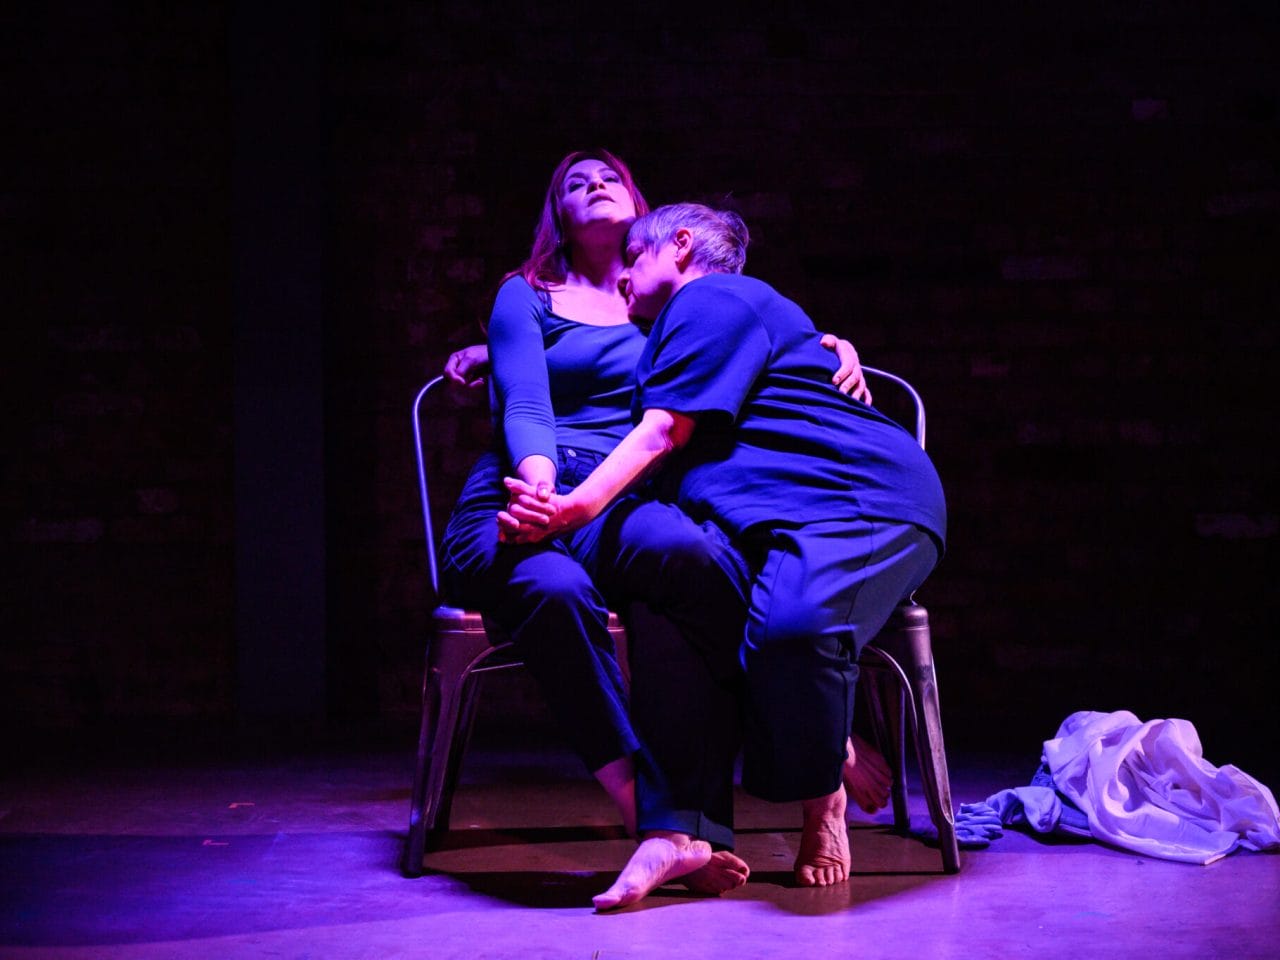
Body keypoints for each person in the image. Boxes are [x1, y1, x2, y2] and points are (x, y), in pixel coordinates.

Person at [438, 153, 872, 896]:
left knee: (693, 556)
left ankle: (809, 719)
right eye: (575, 183)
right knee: (553, 591)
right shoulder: (526, 294)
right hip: (528, 481)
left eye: (609, 177)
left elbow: (751, 336)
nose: (594, 186)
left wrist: (830, 345)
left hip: (626, 494)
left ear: (643, 207)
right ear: (557, 213)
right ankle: (654, 814)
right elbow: (526, 401)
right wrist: (541, 492)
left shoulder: (671, 300)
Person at [500, 203, 946, 909]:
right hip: (772, 525)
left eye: (635, 260)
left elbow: (660, 433)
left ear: (680, 246)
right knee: (713, 604)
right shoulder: (680, 332)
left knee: (795, 632)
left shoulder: (711, 297)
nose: (623, 279)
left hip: (854, 498)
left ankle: (823, 803)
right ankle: (816, 751)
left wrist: (573, 509)